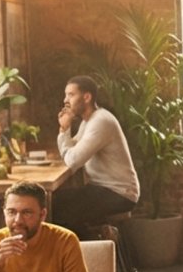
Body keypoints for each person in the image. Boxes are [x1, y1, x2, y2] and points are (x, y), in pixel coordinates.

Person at [52, 75, 140, 232]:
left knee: (58, 209)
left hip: (119, 193)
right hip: (102, 188)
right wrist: (63, 130)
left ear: (86, 97)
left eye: (71, 95)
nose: (66, 100)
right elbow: (72, 150)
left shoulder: (100, 121)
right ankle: (83, 248)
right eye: (66, 95)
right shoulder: (89, 120)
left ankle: (85, 251)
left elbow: (72, 160)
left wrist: (65, 130)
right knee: (56, 202)